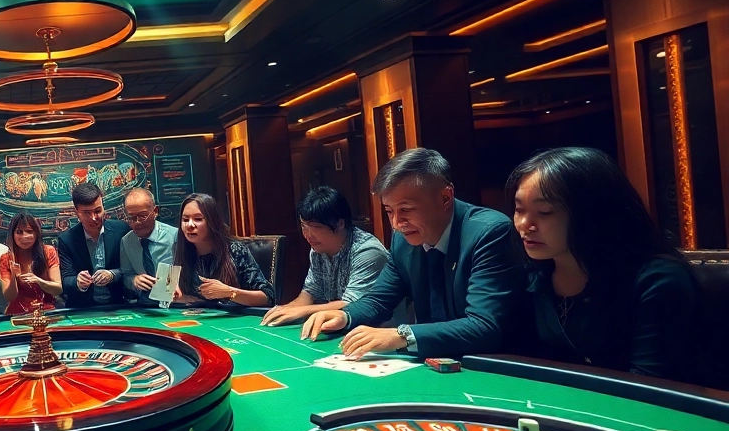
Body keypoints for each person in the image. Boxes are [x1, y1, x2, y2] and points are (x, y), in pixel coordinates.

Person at [301, 148, 526, 359]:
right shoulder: (403, 240)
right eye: (389, 211)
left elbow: (483, 326)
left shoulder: (490, 232)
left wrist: (402, 335)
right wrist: (345, 316)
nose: (397, 224)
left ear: (445, 198)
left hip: (492, 367)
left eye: (406, 210)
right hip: (433, 363)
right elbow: (379, 299)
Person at [507, 147, 698, 380]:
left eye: (545, 212)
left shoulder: (658, 281)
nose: (524, 224)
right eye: (519, 210)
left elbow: (650, 385)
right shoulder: (534, 276)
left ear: (593, 212)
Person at [262, 187, 389, 326]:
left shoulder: (367, 251)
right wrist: (287, 309)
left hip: (377, 331)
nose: (307, 235)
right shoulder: (317, 250)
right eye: (304, 226)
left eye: (315, 226)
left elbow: (351, 305)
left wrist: (301, 311)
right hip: (340, 328)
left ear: (340, 224)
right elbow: (310, 293)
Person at [173, 193, 274, 307]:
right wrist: (176, 295)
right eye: (185, 219)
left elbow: (268, 297)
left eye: (198, 219)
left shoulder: (235, 250)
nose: (190, 225)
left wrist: (229, 292)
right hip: (197, 318)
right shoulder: (181, 250)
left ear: (212, 222)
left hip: (235, 319)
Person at [57, 183, 131, 308]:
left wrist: (112, 275)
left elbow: (130, 269)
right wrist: (78, 282)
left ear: (103, 207)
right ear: (76, 212)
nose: (93, 218)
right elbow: (66, 280)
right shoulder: (66, 240)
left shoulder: (122, 230)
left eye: (98, 211)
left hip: (118, 304)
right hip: (82, 307)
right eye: (86, 213)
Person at [119, 188, 177, 305]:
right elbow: (126, 275)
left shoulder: (175, 236)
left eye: (143, 216)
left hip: (176, 302)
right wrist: (134, 280)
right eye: (131, 217)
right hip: (144, 305)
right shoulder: (126, 241)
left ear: (155, 211)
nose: (137, 222)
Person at [0, 213, 63, 314]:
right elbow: (9, 297)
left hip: (46, 310)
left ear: (36, 233)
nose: (24, 236)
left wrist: (38, 281)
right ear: (12, 234)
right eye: (19, 232)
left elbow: (57, 289)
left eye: (29, 231)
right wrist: (13, 277)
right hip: (18, 313)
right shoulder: (6, 258)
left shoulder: (48, 252)